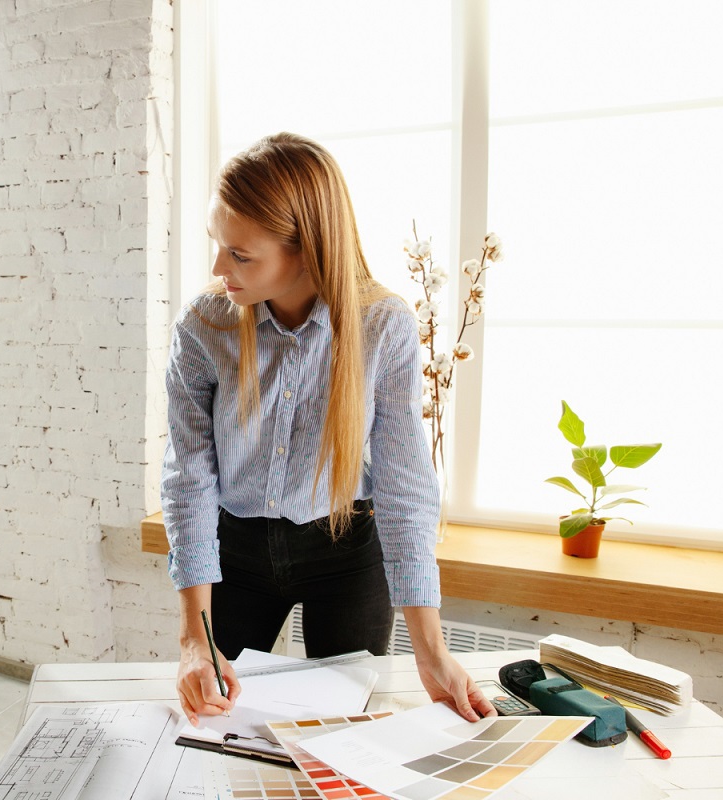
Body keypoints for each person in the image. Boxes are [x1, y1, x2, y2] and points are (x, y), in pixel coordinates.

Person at [161, 132, 494, 726]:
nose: (218, 268)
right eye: (219, 245)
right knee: (216, 722)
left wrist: (433, 651)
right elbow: (188, 477)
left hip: (347, 550)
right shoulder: (204, 325)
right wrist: (194, 639)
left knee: (345, 731)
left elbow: (403, 486)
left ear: (307, 249)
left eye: (241, 255)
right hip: (233, 551)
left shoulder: (381, 325)